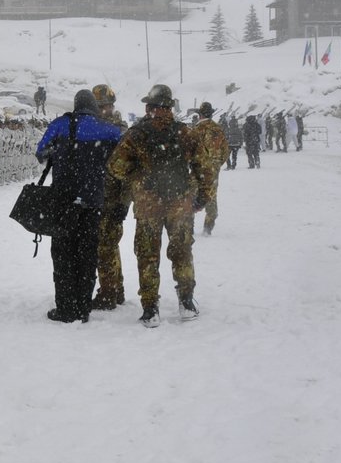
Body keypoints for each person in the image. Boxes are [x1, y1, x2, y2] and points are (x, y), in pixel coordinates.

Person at [106, 85, 214, 327]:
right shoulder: (186, 132)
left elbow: (115, 167)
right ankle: (186, 302)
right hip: (180, 204)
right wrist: (202, 198)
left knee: (147, 256)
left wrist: (138, 179)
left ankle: (150, 308)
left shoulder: (136, 134)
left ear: (149, 107)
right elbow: (205, 168)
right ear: (170, 107)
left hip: (148, 206)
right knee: (182, 253)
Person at [34, 90, 121, 323]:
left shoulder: (60, 125)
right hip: (92, 202)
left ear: (75, 105)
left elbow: (40, 152)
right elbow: (123, 153)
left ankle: (64, 308)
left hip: (62, 202)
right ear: (93, 106)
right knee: (87, 254)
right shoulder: (108, 130)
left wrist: (59, 152)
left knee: (62, 254)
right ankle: (83, 307)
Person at [90, 83, 129, 311]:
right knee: (109, 246)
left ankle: (108, 294)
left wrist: (124, 202)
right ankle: (117, 289)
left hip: (112, 197)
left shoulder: (117, 131)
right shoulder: (109, 129)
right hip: (103, 195)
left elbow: (128, 170)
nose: (105, 110)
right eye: (102, 106)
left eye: (107, 106)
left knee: (104, 246)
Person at [188, 103, 229, 236]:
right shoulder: (218, 129)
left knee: (191, 196)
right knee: (211, 196)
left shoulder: (196, 129)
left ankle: (189, 227)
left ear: (200, 115)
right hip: (213, 170)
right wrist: (216, 164)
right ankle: (208, 227)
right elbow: (225, 151)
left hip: (198, 168)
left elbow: (189, 149)